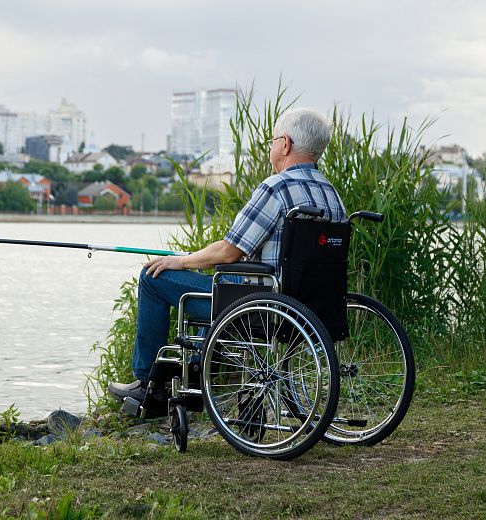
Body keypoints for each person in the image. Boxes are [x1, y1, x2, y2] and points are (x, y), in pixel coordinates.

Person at [108, 108, 347, 403]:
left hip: (259, 306)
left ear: (285, 144)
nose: (271, 147)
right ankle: (196, 375)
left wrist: (179, 260)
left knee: (152, 278)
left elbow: (228, 250)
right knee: (220, 280)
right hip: (311, 307)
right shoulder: (331, 194)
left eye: (273, 141)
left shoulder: (277, 188)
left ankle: (149, 385)